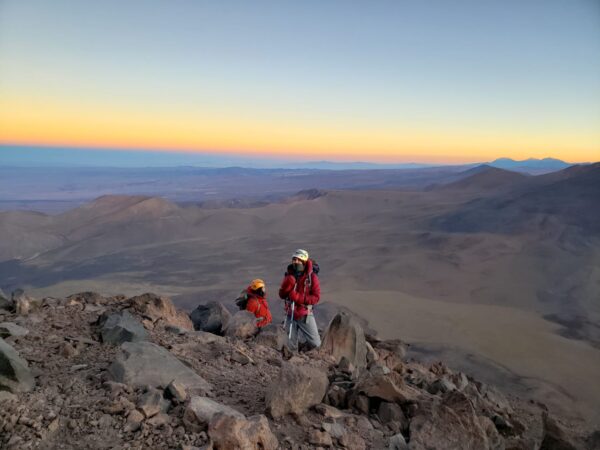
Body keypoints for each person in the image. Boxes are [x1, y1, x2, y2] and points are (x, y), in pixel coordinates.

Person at [279, 249, 321, 349]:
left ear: (304, 261)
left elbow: (316, 297)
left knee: (316, 344)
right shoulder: (289, 275)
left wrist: (297, 297)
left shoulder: (312, 277)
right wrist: (287, 287)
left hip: (305, 314)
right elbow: (282, 295)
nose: (296, 262)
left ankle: (317, 360)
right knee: (289, 344)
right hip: (290, 314)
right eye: (294, 259)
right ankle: (291, 361)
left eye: (298, 260)